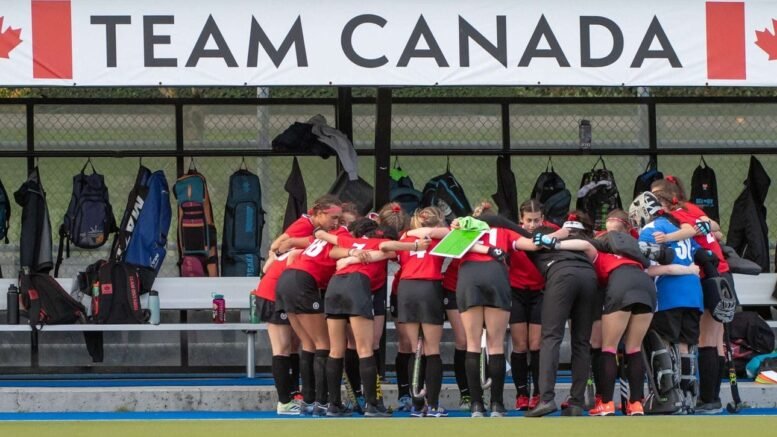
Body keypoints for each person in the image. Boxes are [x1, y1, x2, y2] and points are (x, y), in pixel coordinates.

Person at [324, 213, 418, 417]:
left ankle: (333, 404)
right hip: (357, 285)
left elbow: (333, 251)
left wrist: (350, 257)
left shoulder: (354, 241)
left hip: (335, 285)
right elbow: (386, 248)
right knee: (365, 348)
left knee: (335, 350)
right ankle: (372, 404)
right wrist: (415, 246)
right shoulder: (382, 243)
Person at [651, 177, 731, 413]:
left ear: (665, 199)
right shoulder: (691, 209)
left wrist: (667, 238)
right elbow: (716, 230)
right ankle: (712, 398)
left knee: (707, 339)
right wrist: (710, 233)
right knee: (716, 340)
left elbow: (702, 228)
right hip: (723, 275)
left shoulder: (678, 216)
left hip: (711, 276)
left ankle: (707, 399)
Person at [633, 190, 704, 414]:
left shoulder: (651, 229)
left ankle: (667, 396)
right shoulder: (679, 229)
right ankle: (687, 397)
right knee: (686, 344)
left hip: (669, 292)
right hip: (693, 294)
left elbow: (646, 260)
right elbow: (697, 255)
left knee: (661, 340)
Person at [273, 196, 344, 416]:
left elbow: (289, 245)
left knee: (308, 343)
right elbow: (279, 245)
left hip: (286, 281)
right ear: (320, 214)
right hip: (302, 282)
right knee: (324, 343)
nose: (338, 223)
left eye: (340, 219)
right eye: (335, 218)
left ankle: (308, 399)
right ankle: (322, 402)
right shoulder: (340, 236)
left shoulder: (319, 238)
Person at [525, 212, 598, 418]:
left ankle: (546, 399)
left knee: (551, 337)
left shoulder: (537, 241)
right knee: (582, 342)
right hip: (588, 275)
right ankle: (576, 402)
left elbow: (505, 226)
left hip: (561, 275)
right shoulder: (574, 241)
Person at [394, 207, 449, 417]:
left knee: (413, 349)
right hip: (429, 287)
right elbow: (451, 233)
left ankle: (417, 405)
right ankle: (433, 405)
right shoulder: (439, 239)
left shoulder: (405, 238)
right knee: (431, 349)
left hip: (406, 289)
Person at [509, 199, 556, 411]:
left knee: (536, 344)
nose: (533, 225)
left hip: (540, 292)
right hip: (516, 292)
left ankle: (537, 393)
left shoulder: (551, 232)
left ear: (543, 219)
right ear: (521, 220)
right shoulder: (514, 234)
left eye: (537, 220)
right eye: (529, 220)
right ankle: (521, 394)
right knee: (520, 345)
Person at [254, 249, 302, 415]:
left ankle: (294, 394)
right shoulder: (299, 251)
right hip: (273, 297)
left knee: (294, 345)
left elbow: (267, 267)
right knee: (281, 348)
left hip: (285, 296)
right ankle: (284, 402)